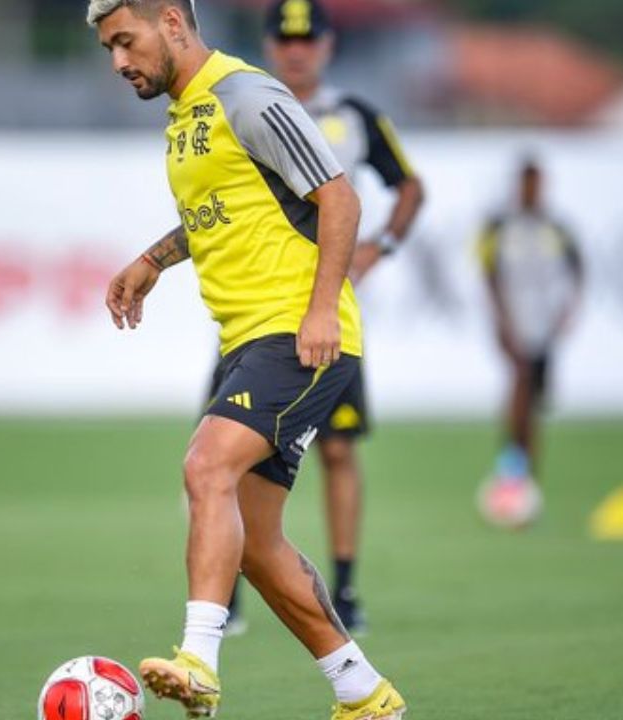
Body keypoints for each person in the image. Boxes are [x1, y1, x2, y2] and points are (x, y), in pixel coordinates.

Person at [89, 1, 407, 718]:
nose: (118, 62)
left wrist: (323, 308)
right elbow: (227, 210)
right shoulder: (186, 117)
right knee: (259, 546)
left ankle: (198, 658)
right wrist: (153, 260)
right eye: (108, 49)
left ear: (171, 21)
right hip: (249, 341)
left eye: (125, 41)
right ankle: (364, 694)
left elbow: (341, 198)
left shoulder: (246, 93)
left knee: (206, 466)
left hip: (296, 335)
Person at [220, 0, 424, 637]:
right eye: (285, 39)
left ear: (328, 46)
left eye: (308, 40)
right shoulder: (250, 109)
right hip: (257, 310)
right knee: (222, 450)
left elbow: (408, 186)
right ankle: (226, 596)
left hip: (325, 313)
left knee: (338, 449)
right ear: (270, 45)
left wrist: (378, 247)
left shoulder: (354, 117)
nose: (297, 50)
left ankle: (346, 584)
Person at [478, 158, 584, 482]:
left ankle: (523, 464)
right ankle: (515, 463)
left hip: (544, 321)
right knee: (519, 382)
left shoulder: (556, 228)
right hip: (513, 318)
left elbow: (578, 272)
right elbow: (489, 274)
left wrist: (567, 313)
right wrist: (500, 319)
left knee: (536, 396)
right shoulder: (500, 226)